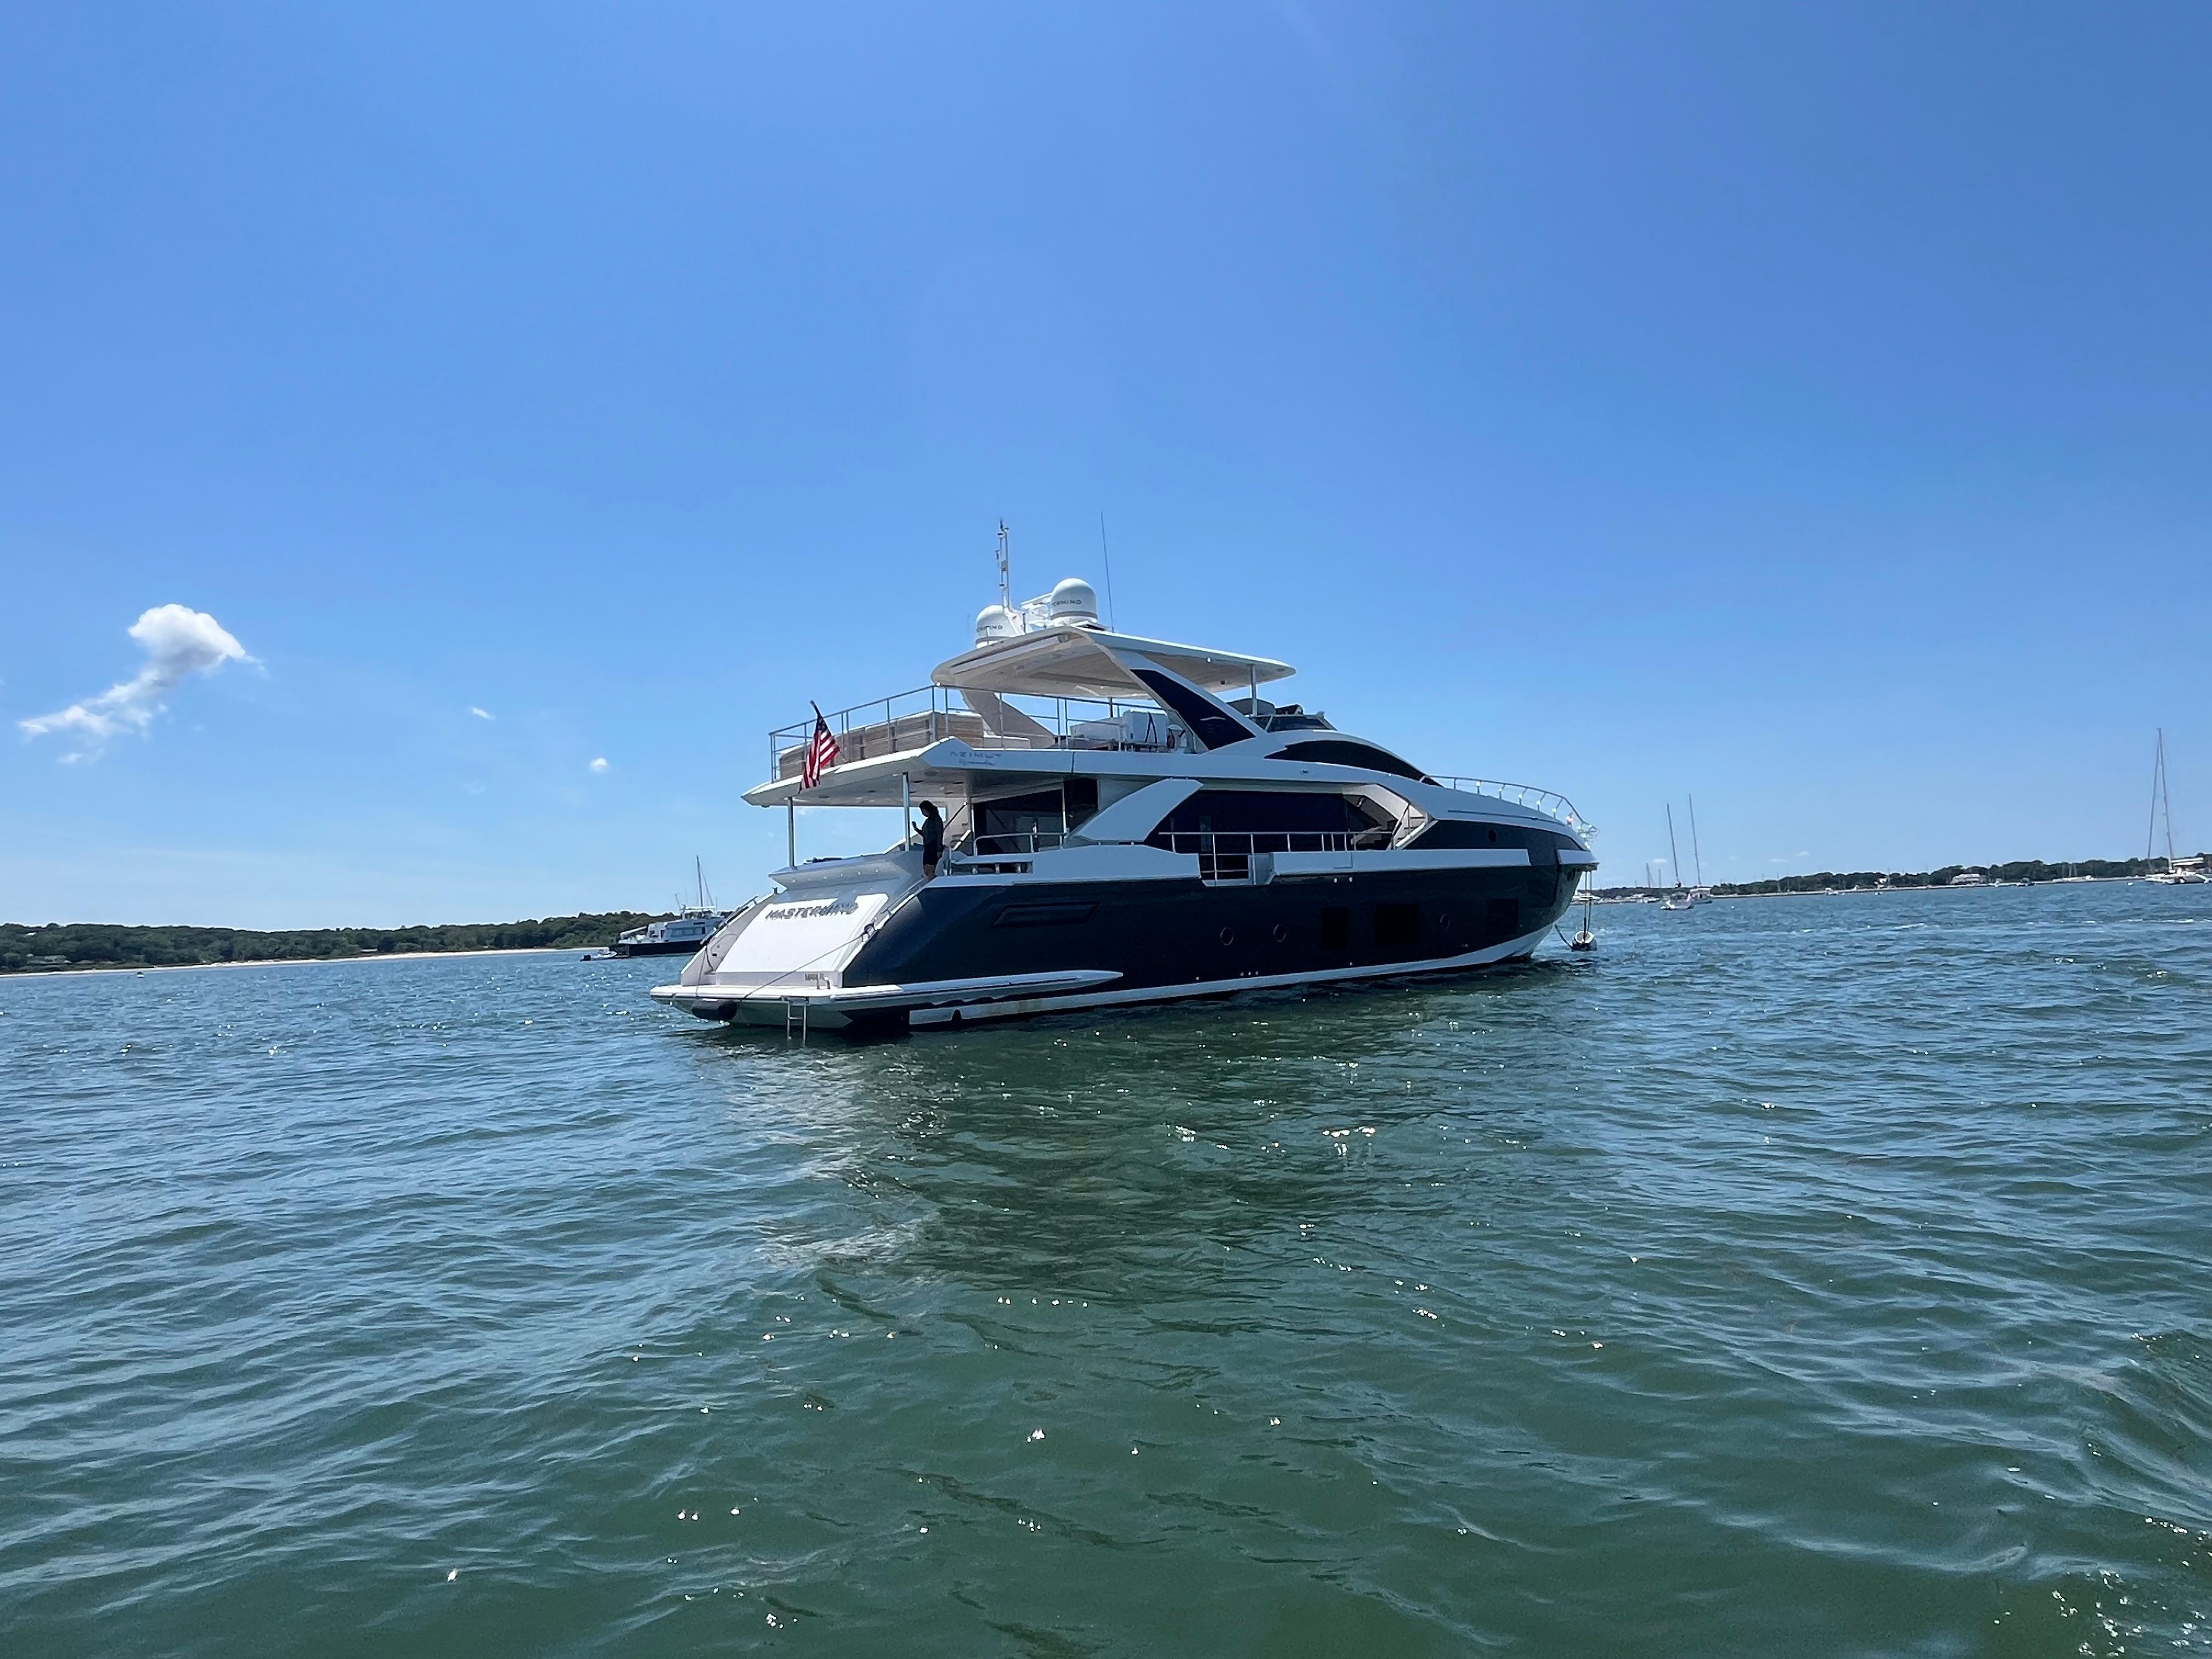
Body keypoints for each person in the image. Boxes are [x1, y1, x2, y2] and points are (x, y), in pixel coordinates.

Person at [917, 800, 945, 878]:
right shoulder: (928, 821)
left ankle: (933, 881)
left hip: (934, 846)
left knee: (930, 868)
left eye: (923, 811)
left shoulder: (936, 819)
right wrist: (917, 830)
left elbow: (940, 834)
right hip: (928, 846)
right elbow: (926, 835)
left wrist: (939, 850)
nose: (923, 813)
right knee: (926, 867)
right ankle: (931, 879)